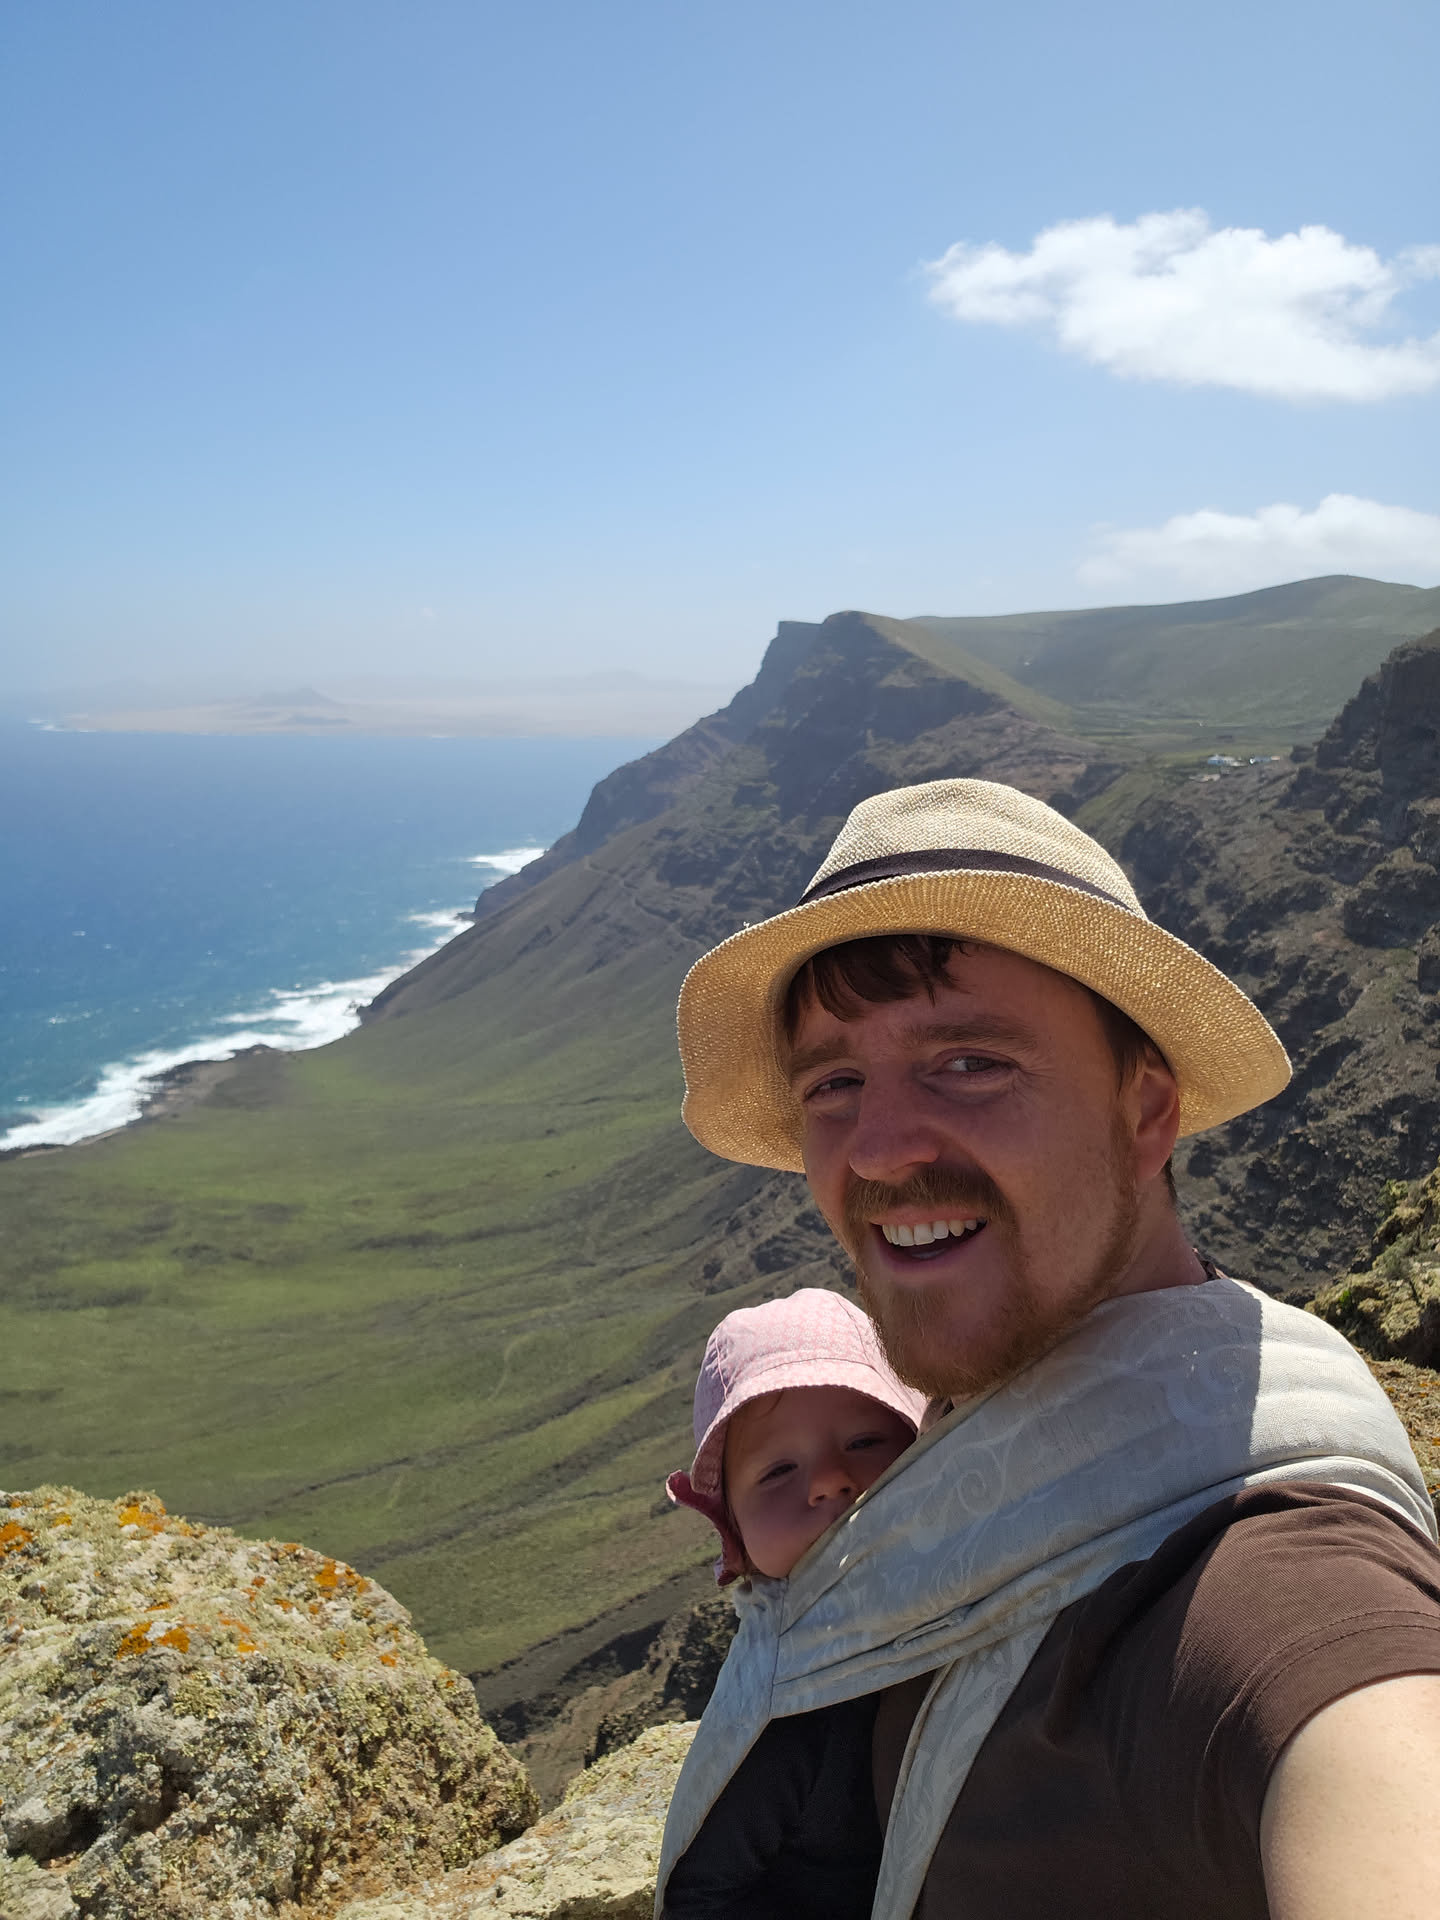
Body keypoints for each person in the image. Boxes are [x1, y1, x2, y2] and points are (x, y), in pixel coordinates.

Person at [657, 777, 1440, 1920]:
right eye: (835, 1082)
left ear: (1147, 1111)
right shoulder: (966, 1458)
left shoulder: (1263, 1580)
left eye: (969, 1061)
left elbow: (1371, 1755)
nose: (877, 1148)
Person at [663, 1288, 927, 1919]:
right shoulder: (783, 1707)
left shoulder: (988, 1577)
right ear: (735, 1535)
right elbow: (699, 1897)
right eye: (778, 1472)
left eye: (866, 1441)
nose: (830, 1479)